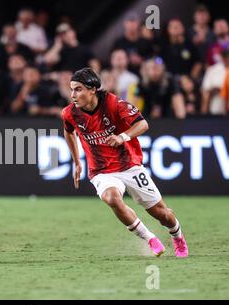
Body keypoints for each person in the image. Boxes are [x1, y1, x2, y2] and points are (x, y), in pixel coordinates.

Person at [61, 67, 188, 258]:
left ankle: (177, 236)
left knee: (163, 214)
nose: (73, 95)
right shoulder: (70, 113)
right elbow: (68, 131)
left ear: (92, 89)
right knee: (112, 198)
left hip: (129, 165)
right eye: (71, 90)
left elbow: (143, 124)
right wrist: (77, 161)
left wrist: (122, 136)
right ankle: (150, 239)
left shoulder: (114, 104)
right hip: (101, 170)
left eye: (78, 89)